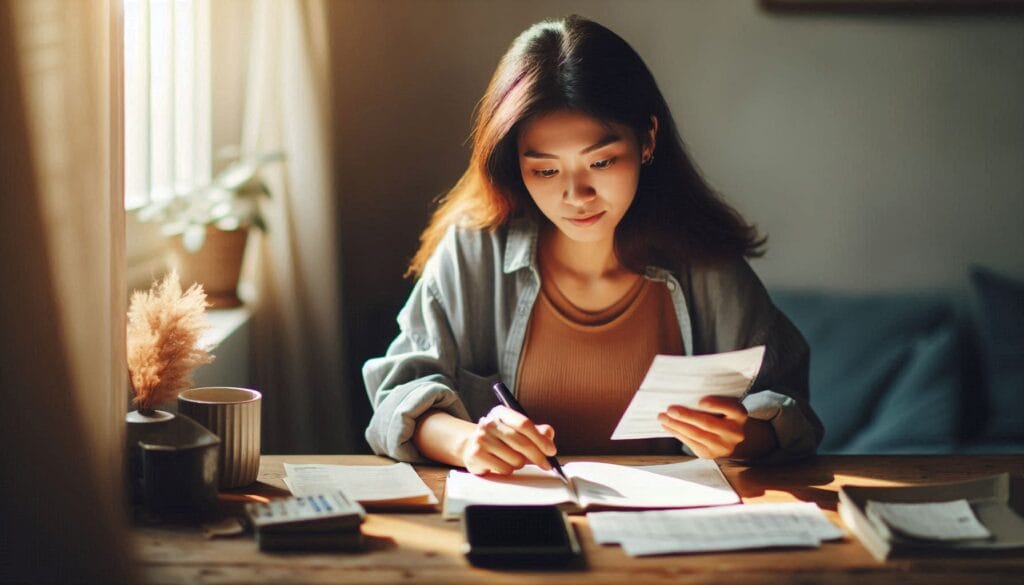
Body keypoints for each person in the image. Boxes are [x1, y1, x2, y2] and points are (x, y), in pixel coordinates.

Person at [363, 15, 823, 475]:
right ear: (513, 163)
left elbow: (791, 409)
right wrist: (467, 443)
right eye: (545, 170)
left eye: (601, 161)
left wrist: (743, 436)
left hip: (666, 530)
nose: (576, 196)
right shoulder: (474, 250)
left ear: (647, 140)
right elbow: (396, 398)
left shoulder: (704, 262)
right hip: (524, 518)